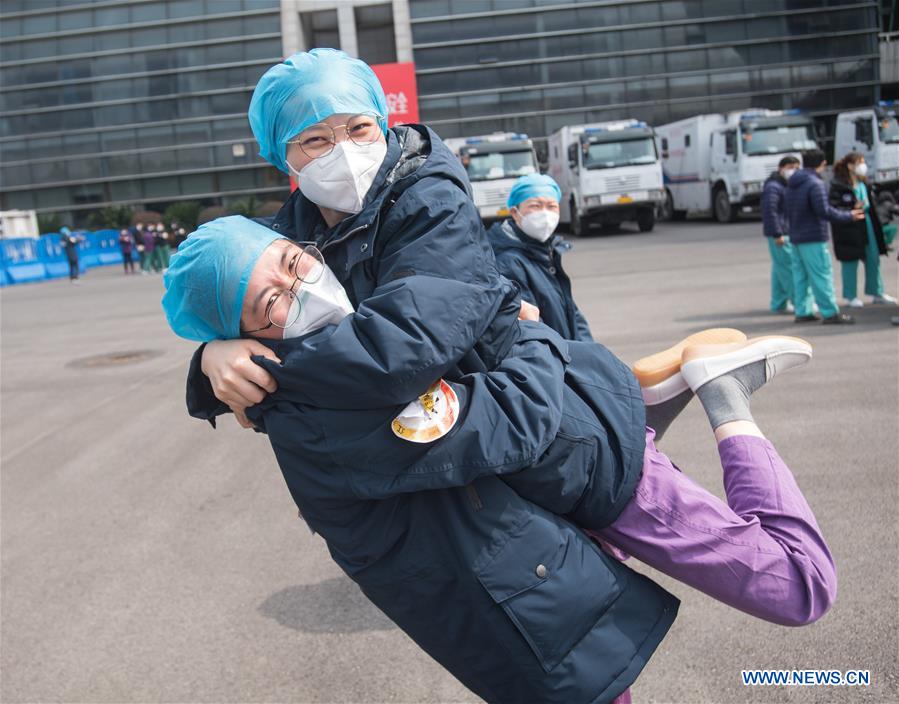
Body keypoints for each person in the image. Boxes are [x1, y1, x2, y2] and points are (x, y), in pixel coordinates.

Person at [165, 214, 836, 702]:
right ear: (249, 339)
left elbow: (509, 415)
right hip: (549, 506)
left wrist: (532, 334)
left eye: (292, 262)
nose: (304, 287)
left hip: (584, 470)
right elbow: (500, 420)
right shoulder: (330, 389)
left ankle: (723, 396)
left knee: (798, 588)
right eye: (272, 303)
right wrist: (205, 365)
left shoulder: (361, 309)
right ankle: (652, 402)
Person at [487, 174, 593, 342]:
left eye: (552, 206)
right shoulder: (509, 261)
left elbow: (572, 313)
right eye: (536, 206)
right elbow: (532, 327)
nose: (545, 214)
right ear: (515, 212)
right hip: (552, 360)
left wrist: (590, 352)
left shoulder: (547, 252)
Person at [785, 149, 864, 325]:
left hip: (796, 236)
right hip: (813, 236)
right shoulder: (814, 183)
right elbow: (824, 211)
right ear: (822, 164)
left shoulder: (792, 182)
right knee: (821, 275)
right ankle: (830, 313)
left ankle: (803, 311)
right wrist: (849, 215)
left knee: (800, 276)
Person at [828, 152, 896, 308]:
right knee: (850, 261)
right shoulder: (838, 184)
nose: (862, 166)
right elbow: (834, 207)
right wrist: (851, 208)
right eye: (859, 162)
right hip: (849, 227)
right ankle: (850, 296)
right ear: (850, 165)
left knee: (873, 258)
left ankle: (876, 292)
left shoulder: (863, 182)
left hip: (868, 224)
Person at [761, 156, 800, 314]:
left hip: (783, 231)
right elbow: (770, 212)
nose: (793, 171)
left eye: (797, 167)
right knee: (788, 268)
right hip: (780, 233)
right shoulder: (774, 186)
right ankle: (799, 301)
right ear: (781, 168)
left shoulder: (783, 184)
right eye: (791, 167)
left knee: (779, 269)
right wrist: (777, 233)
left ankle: (779, 302)